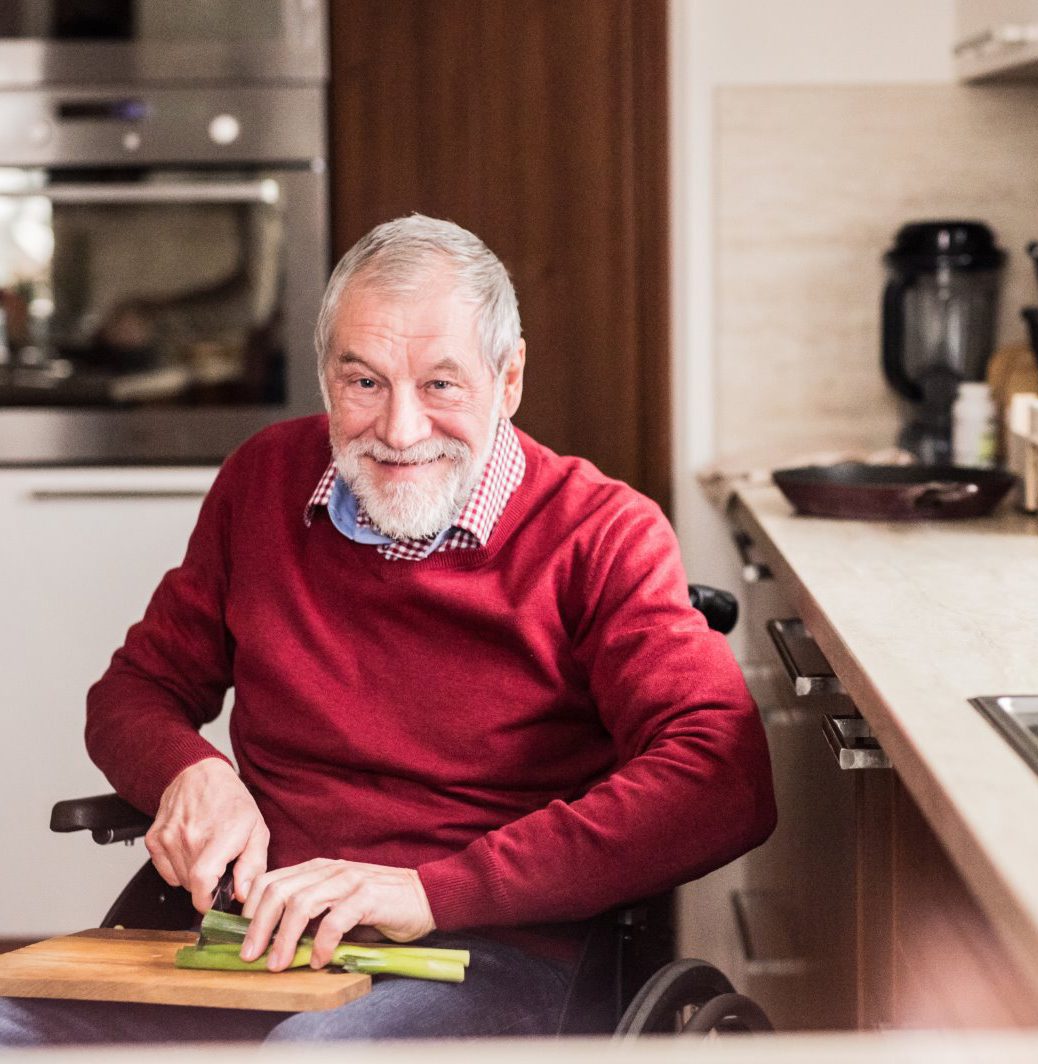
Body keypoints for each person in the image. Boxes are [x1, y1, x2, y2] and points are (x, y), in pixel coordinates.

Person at [0, 214, 775, 1044]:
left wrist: (432, 892)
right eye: (364, 382)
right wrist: (189, 773)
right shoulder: (262, 480)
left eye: (442, 384)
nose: (400, 431)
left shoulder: (602, 532)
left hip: (488, 950)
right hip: (250, 930)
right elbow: (135, 692)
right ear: (326, 375)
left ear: (507, 379)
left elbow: (718, 775)